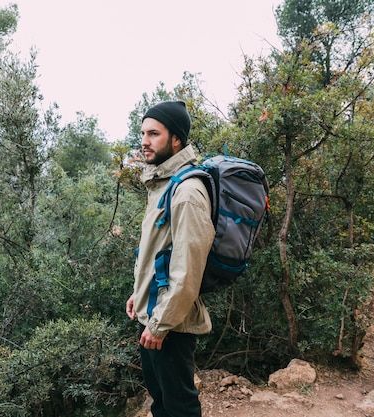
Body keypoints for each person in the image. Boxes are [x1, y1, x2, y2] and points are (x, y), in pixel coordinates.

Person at [126, 100, 215, 416]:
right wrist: (140, 292)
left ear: (176, 138)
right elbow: (157, 250)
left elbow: (188, 268)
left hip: (170, 323)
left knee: (179, 407)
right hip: (153, 313)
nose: (144, 141)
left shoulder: (188, 192)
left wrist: (160, 324)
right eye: (143, 133)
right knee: (162, 402)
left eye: (154, 134)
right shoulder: (162, 184)